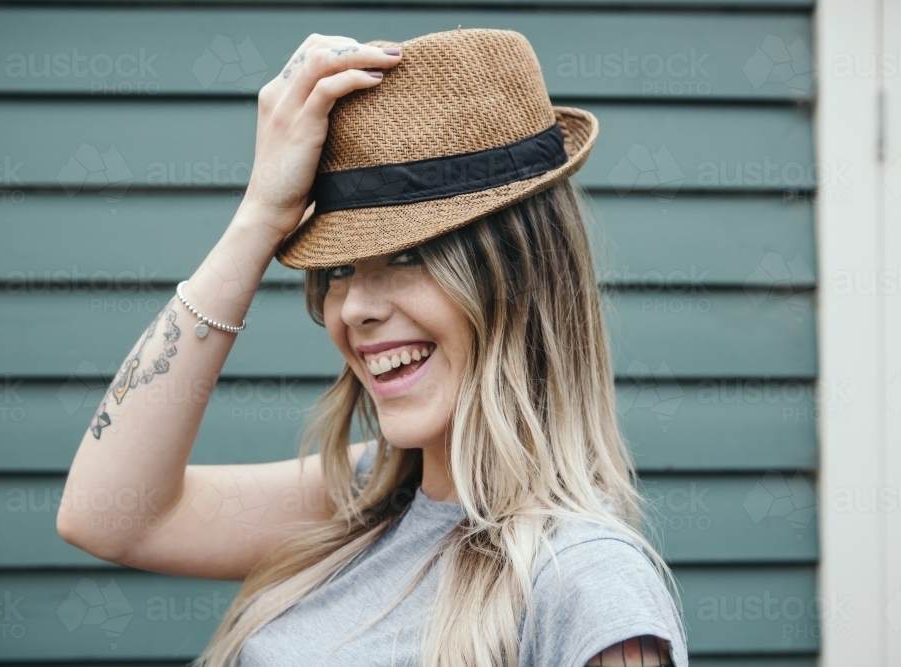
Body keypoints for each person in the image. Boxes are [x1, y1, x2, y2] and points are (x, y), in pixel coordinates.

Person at [57, 28, 688, 667]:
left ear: (521, 276)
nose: (353, 308)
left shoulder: (586, 584)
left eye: (408, 256)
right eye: (338, 271)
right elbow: (107, 515)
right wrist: (259, 217)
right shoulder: (364, 496)